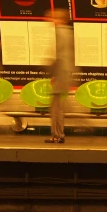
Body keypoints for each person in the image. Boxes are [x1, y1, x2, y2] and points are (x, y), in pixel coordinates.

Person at [45, 9, 74, 144]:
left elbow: (58, 54)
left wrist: (53, 72)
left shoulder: (59, 31)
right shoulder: (68, 31)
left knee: (55, 107)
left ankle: (57, 135)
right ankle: (59, 134)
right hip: (65, 72)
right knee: (58, 106)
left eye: (52, 17)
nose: (49, 20)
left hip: (60, 71)